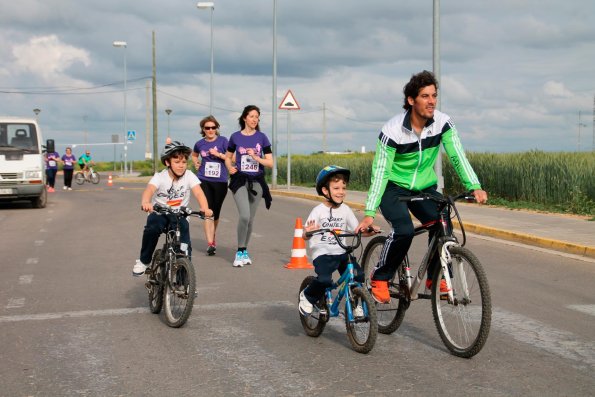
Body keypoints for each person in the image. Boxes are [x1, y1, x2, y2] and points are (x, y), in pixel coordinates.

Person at [356, 70, 488, 304]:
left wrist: (474, 185)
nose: (431, 102)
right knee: (404, 231)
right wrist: (369, 212)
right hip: (393, 188)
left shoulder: (442, 123)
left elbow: (457, 155)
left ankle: (434, 277)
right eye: (425, 96)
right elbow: (380, 173)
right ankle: (380, 276)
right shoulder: (392, 130)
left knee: (441, 222)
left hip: (425, 187)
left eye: (434, 96)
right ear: (411, 100)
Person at [299, 165, 379, 315]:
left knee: (358, 275)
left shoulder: (346, 210)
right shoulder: (318, 211)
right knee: (324, 281)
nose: (341, 192)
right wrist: (308, 232)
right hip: (323, 253)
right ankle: (307, 296)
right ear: (325, 191)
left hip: (342, 251)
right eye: (336, 188)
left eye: (343, 188)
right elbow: (304, 235)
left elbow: (357, 230)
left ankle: (356, 304)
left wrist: (369, 230)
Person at [133, 141, 213, 276]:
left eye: (183, 162)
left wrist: (205, 208)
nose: (181, 166)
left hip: (179, 215)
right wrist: (146, 202)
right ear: (167, 163)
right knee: (152, 229)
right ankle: (144, 261)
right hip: (159, 213)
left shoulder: (189, 175)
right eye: (177, 162)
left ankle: (184, 280)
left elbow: (198, 192)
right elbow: (149, 190)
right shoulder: (160, 177)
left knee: (184, 246)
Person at [225, 105, 273, 267]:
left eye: (257, 117)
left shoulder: (262, 137)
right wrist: (229, 167)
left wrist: (256, 158)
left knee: (250, 219)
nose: (254, 119)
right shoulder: (235, 137)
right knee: (244, 215)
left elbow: (270, 162)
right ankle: (239, 251)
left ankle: (244, 250)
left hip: (257, 181)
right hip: (239, 180)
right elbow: (228, 156)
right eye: (252, 116)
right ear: (244, 118)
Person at [192, 115, 229, 256]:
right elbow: (194, 154)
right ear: (203, 129)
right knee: (207, 211)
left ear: (216, 128)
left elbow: (232, 158)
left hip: (220, 181)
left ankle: (213, 235)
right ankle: (210, 243)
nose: (210, 130)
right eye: (207, 128)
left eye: (213, 127)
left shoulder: (223, 141)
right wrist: (196, 162)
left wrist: (219, 154)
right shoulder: (200, 143)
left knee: (216, 212)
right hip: (204, 179)